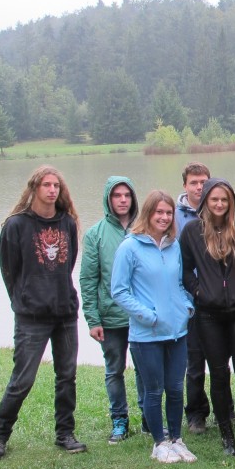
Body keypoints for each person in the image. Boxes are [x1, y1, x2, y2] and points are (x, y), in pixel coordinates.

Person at [0, 166, 86, 460]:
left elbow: (68, 264)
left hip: (64, 312)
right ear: (34, 188)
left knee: (66, 376)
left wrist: (57, 292)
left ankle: (65, 433)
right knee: (22, 380)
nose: (52, 190)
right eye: (46, 185)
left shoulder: (67, 222)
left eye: (56, 185)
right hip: (31, 316)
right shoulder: (16, 225)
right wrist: (24, 299)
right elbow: (9, 270)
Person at [179, 178, 235, 456]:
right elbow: (184, 270)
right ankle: (227, 436)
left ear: (231, 202)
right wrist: (199, 292)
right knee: (218, 376)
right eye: (214, 199)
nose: (219, 204)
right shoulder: (192, 231)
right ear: (205, 200)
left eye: (224, 200)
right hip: (209, 315)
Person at [111, 190, 196, 464]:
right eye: (159, 212)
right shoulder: (130, 247)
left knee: (176, 388)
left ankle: (176, 439)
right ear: (148, 213)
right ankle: (159, 442)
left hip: (177, 331)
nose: (164, 217)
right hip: (146, 335)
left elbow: (179, 283)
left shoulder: (174, 246)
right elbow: (119, 291)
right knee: (154, 390)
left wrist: (187, 307)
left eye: (168, 212)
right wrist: (148, 316)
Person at [80, 175, 145, 444]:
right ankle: (119, 420)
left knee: (145, 370)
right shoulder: (95, 234)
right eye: (117, 195)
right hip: (110, 317)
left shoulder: (144, 228)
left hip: (141, 316)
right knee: (114, 371)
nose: (122, 200)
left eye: (127, 195)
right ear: (108, 199)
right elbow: (88, 279)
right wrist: (92, 319)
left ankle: (149, 417)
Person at [174, 161, 219, 434]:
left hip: (217, 299)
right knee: (194, 362)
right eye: (194, 182)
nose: (199, 187)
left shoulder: (220, 210)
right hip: (188, 300)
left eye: (204, 182)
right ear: (185, 185)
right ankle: (196, 414)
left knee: (220, 361)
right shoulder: (175, 217)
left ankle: (226, 409)